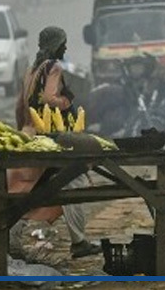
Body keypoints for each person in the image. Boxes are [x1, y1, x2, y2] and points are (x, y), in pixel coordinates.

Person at [13, 26, 102, 258]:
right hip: (50, 135)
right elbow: (50, 98)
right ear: (56, 45)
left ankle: (11, 238)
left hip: (29, 133)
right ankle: (79, 241)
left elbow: (20, 105)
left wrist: (22, 130)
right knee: (75, 180)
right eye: (63, 43)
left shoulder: (31, 70)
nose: (66, 48)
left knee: (31, 188)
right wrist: (66, 102)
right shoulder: (53, 67)